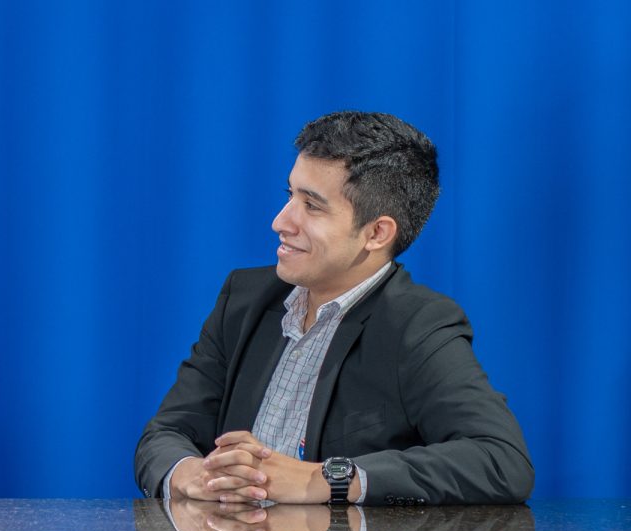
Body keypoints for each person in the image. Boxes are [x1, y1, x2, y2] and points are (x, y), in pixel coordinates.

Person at [134, 111, 533, 506]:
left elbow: (501, 461)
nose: (280, 221)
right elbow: (166, 433)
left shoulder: (418, 324)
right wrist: (192, 475)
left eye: (312, 206)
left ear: (376, 233)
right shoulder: (244, 298)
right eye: (290, 195)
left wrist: (325, 478)